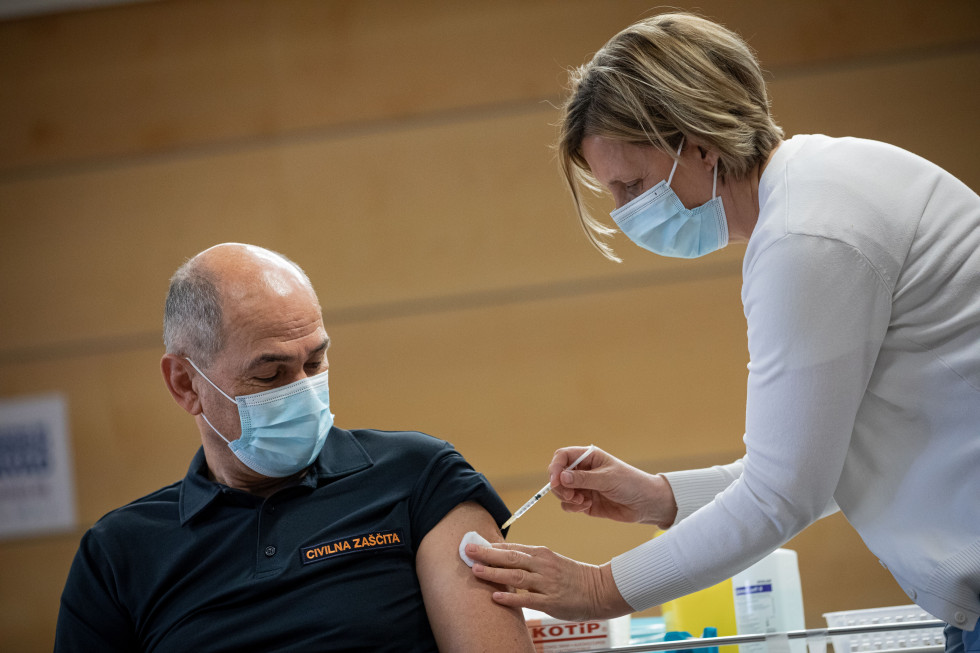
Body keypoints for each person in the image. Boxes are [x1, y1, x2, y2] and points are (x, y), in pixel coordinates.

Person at [464, 11, 980, 651]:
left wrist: (597, 588)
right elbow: (813, 464)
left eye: (633, 185)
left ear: (701, 141)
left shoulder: (807, 238)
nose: (627, 215)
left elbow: (781, 496)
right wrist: (660, 497)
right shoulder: (822, 187)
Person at [55, 243, 535, 652]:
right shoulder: (118, 553)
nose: (303, 390)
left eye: (315, 361)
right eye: (270, 374)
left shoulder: (421, 478)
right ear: (186, 384)